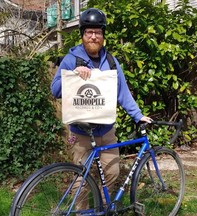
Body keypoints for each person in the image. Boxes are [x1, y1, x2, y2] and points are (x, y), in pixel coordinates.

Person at [51, 8, 152, 210]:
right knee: (81, 179)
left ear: (103, 35)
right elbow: (55, 90)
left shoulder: (112, 62)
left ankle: (104, 209)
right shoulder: (71, 59)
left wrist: (138, 115)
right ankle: (81, 213)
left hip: (106, 130)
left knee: (112, 171)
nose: (94, 36)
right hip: (81, 131)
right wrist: (72, 74)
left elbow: (122, 92)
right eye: (89, 32)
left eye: (98, 32)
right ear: (82, 35)